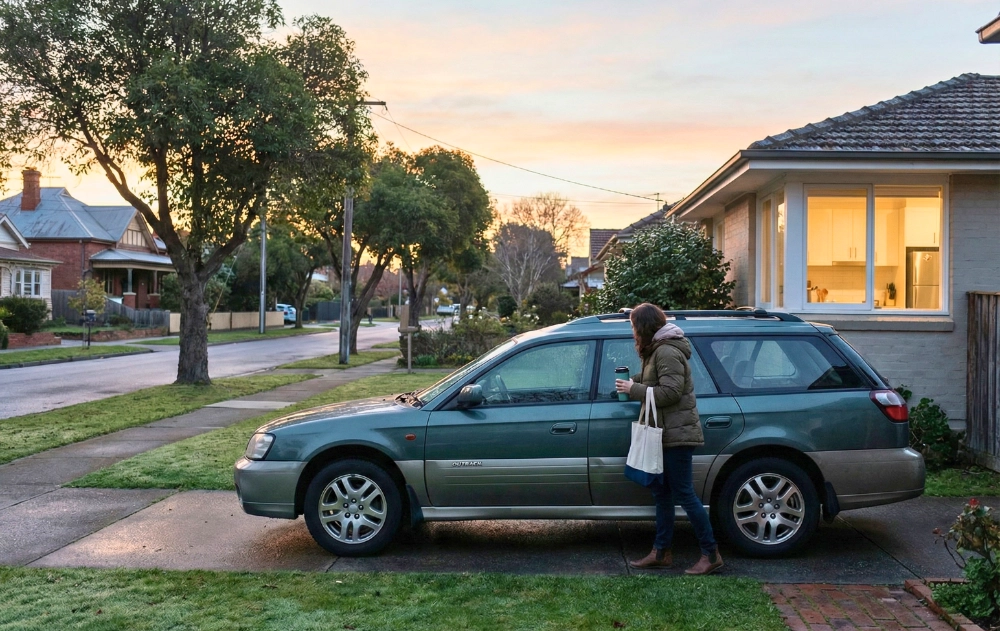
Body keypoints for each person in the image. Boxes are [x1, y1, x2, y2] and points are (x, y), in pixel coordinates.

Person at [615, 302, 723, 575]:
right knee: (661, 494)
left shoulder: (666, 351)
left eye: (633, 327)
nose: (633, 333)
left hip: (677, 435)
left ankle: (710, 554)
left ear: (644, 327)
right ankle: (661, 553)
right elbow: (658, 382)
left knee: (685, 495)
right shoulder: (657, 350)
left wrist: (634, 388)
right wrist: (632, 381)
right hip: (664, 433)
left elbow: (670, 392)